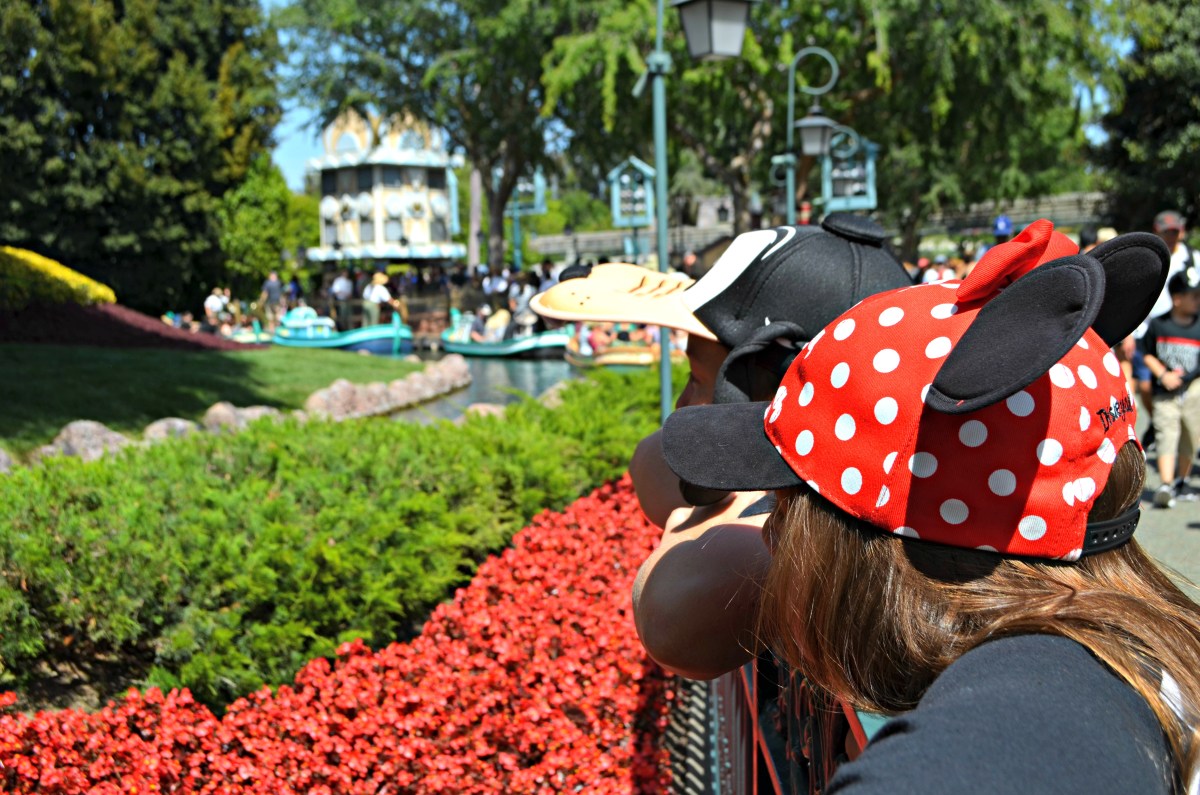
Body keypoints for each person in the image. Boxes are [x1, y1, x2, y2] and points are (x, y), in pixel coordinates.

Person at [661, 221, 1200, 793]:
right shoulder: (1128, 649)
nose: (770, 530)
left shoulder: (1039, 703)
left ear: (879, 549)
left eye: (788, 496)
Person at [532, 214, 912, 678]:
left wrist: (702, 514)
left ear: (766, 388)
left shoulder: (797, 542)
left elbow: (669, 618)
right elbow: (651, 463)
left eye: (699, 380)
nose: (682, 403)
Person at [1140, 269, 1200, 508]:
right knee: (1166, 432)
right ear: (1177, 298)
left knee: (1190, 435)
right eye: (1193, 296)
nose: (1198, 300)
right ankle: (1166, 483)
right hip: (1165, 392)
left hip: (1194, 389)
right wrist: (1163, 374)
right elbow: (1147, 354)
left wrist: (1188, 377)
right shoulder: (1159, 325)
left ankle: (1182, 480)